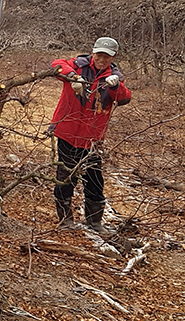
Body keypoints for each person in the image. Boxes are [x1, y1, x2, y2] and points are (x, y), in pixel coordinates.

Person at [48, 37, 131, 235]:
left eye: (107, 56)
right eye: (99, 54)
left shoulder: (115, 77)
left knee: (94, 179)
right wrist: (73, 78)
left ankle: (95, 223)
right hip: (67, 132)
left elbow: (125, 98)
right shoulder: (77, 66)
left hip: (92, 138)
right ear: (93, 52)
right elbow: (56, 65)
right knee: (65, 175)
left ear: (113, 57)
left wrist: (114, 87)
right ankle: (65, 221)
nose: (102, 59)